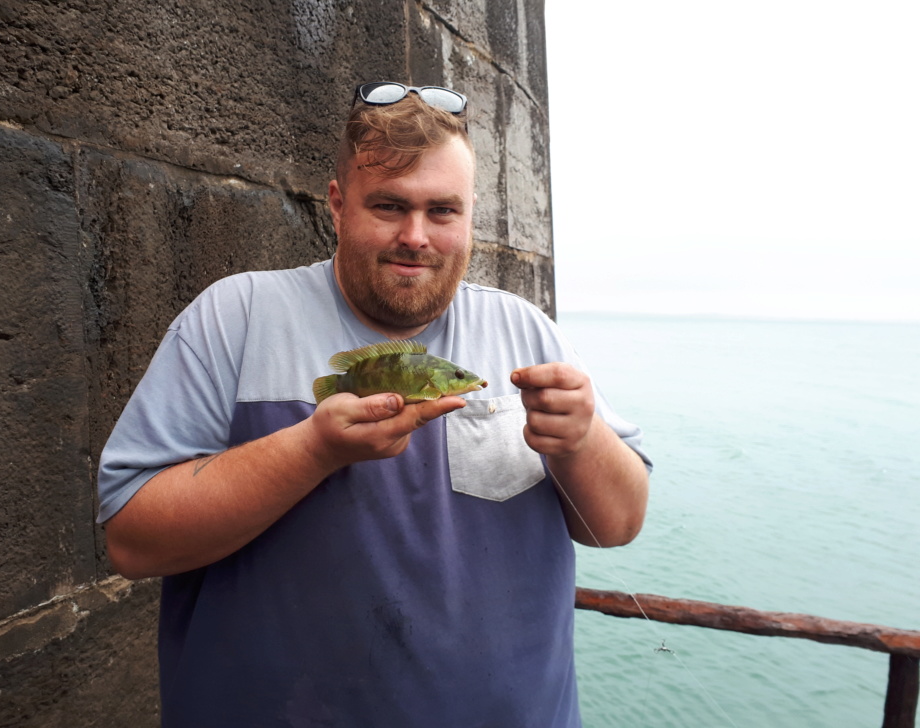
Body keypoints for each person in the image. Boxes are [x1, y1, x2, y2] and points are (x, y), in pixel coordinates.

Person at [98, 81, 651, 727]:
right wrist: (312, 449)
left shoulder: (525, 331)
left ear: (470, 215)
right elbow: (132, 543)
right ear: (337, 205)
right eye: (389, 205)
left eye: (443, 210)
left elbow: (616, 524)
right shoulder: (235, 317)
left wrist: (583, 440)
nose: (416, 236)